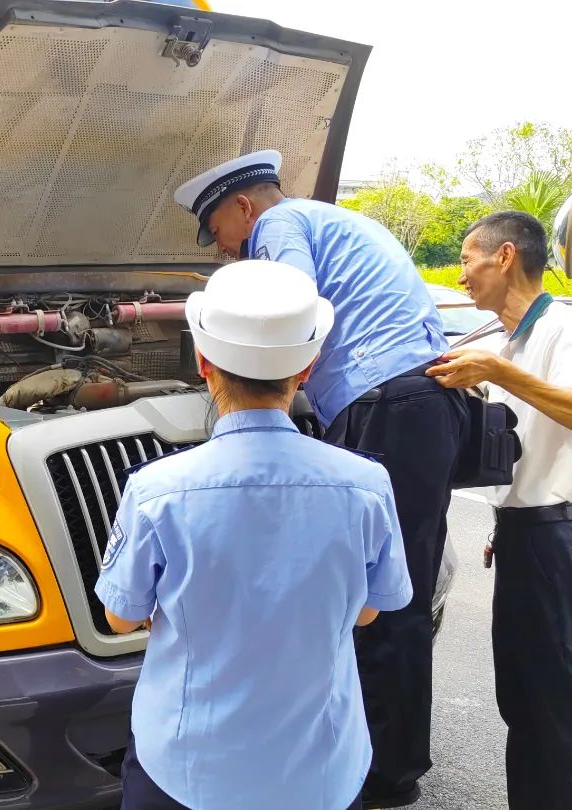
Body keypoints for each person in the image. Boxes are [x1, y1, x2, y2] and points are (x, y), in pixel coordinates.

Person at [173, 150, 468, 808]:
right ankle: (389, 763)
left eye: (217, 229)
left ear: (243, 206)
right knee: (399, 591)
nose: (222, 248)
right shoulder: (332, 220)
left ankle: (381, 775)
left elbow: (285, 310)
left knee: (377, 596)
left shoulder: (280, 229)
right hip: (418, 403)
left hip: (388, 403)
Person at [96, 260, 412, 810]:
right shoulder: (367, 485)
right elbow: (368, 611)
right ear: (308, 368)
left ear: (202, 362)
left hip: (184, 769)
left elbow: (121, 617)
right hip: (322, 771)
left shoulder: (156, 490)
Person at [426, 210, 572, 809]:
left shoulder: (561, 326)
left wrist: (499, 373)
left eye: (467, 260)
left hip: (556, 535)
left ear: (506, 256)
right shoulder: (496, 341)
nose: (462, 275)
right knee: (521, 692)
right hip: (519, 533)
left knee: (551, 697)